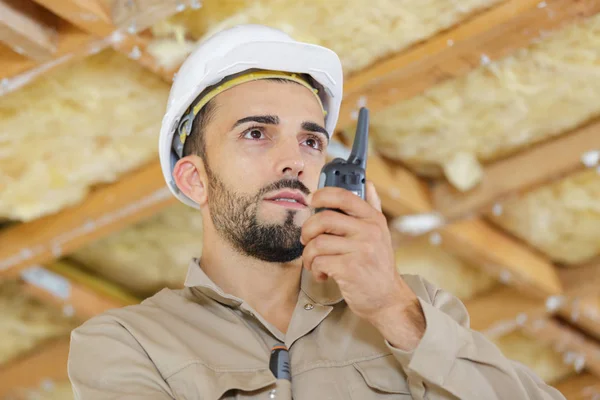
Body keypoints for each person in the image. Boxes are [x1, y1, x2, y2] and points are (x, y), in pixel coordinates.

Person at [68, 24, 566, 400]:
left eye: (311, 140)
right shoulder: (129, 344)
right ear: (195, 178)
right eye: (256, 133)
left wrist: (395, 310)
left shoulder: (416, 307)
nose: (295, 160)